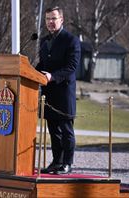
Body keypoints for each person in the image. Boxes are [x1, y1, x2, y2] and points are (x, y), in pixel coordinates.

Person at [36, 6, 81, 175]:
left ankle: (67, 163)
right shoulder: (44, 41)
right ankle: (57, 162)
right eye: (47, 19)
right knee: (53, 130)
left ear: (61, 20)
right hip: (49, 93)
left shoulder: (71, 40)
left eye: (54, 18)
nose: (50, 22)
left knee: (66, 130)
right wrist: (30, 73)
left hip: (64, 93)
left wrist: (52, 77)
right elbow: (42, 65)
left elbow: (71, 67)